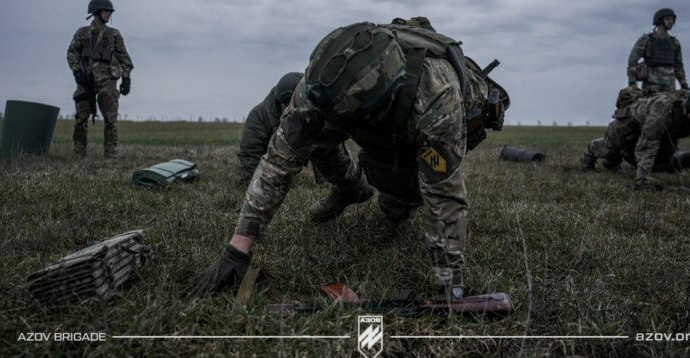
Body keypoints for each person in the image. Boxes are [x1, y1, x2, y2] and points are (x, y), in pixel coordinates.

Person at [193, 18, 494, 299]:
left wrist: (450, 284)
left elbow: (444, 195)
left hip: (441, 117)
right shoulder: (317, 88)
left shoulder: (436, 98)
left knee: (397, 200)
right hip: (378, 109)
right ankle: (349, 187)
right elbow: (278, 163)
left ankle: (397, 198)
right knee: (313, 136)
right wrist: (237, 250)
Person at [581, 85, 690, 193]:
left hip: (659, 131)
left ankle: (614, 161)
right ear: (688, 108)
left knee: (661, 163)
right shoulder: (662, 110)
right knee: (609, 148)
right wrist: (642, 181)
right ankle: (591, 154)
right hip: (630, 123)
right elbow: (647, 146)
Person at [67, 0, 133, 158]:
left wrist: (126, 78)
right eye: (106, 11)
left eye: (110, 11)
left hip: (107, 81)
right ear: (96, 12)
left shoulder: (114, 34)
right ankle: (79, 152)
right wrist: (77, 72)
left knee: (111, 118)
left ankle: (110, 154)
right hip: (85, 81)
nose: (109, 14)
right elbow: (71, 53)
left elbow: (125, 59)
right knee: (81, 118)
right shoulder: (82, 33)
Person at [237, 72, 325, 187]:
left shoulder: (307, 112)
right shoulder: (258, 116)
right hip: (267, 166)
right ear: (283, 103)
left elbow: (322, 146)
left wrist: (326, 183)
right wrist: (251, 185)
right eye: (294, 105)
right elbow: (249, 154)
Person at [627, 8, 690, 95]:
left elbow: (678, 65)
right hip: (651, 85)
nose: (671, 21)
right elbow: (632, 60)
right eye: (667, 19)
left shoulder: (674, 42)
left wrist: (684, 84)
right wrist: (632, 83)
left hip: (669, 86)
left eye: (672, 19)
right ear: (659, 21)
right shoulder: (647, 39)